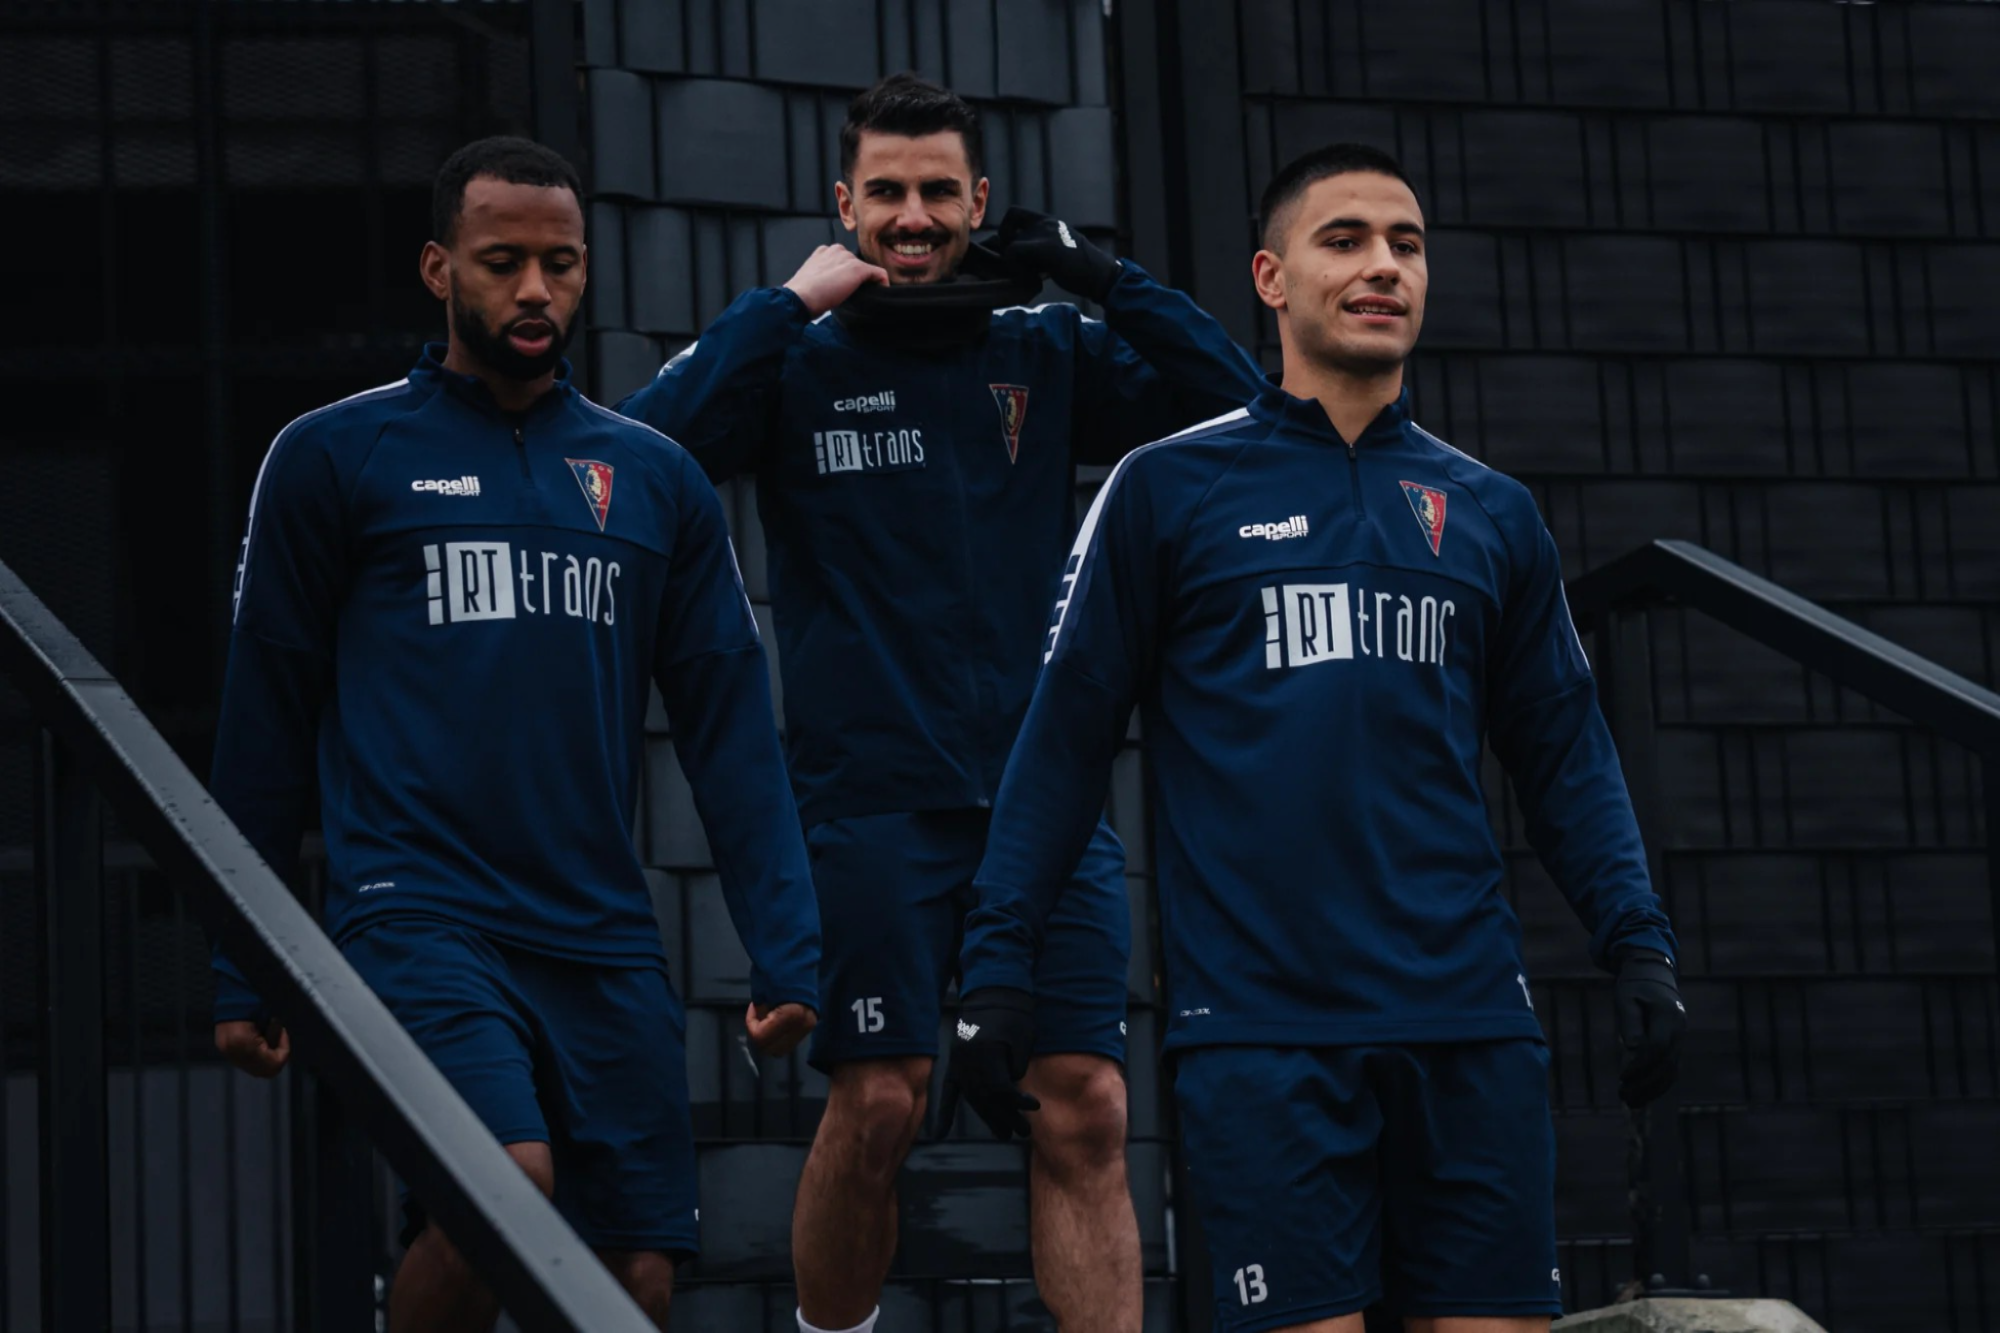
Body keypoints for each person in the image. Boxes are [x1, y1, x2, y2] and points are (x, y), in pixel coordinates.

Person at [946, 142, 1688, 1333]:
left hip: (1468, 1025)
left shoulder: (1490, 511)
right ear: (1270, 278)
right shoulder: (1164, 488)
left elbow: (1562, 752)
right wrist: (997, 963)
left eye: (1404, 244)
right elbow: (1065, 742)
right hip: (1261, 1034)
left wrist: (1635, 942)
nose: (1381, 265)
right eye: (1342, 240)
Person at [617, 72, 1265, 1333]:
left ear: (977, 200)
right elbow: (638, 457)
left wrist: (1100, 275)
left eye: (936, 192)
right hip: (870, 806)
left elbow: (1237, 409)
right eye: (886, 192)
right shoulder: (795, 362)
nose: (911, 217)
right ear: (843, 203)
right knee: (880, 1101)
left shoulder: (1044, 351)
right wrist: (783, 304)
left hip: (1045, 802)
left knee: (1084, 1104)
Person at [207, 135, 821, 1332]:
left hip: (600, 934)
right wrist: (242, 960)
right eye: (502, 264)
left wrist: (787, 950)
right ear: (439, 269)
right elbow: (264, 714)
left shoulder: (654, 480)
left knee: (635, 1278)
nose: (536, 290)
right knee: (503, 1190)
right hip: (418, 909)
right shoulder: (333, 456)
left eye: (561, 263)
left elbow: (732, 733)